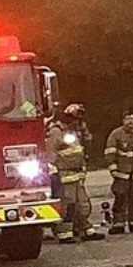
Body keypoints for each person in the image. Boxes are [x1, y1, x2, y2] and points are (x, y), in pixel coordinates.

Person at [46, 104, 100, 243]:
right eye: (75, 118)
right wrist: (53, 171)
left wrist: (83, 127)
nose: (77, 121)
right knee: (67, 205)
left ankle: (83, 228)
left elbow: (87, 141)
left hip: (77, 173)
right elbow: (50, 152)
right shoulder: (56, 131)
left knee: (82, 204)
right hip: (64, 175)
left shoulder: (75, 131)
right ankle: (64, 233)